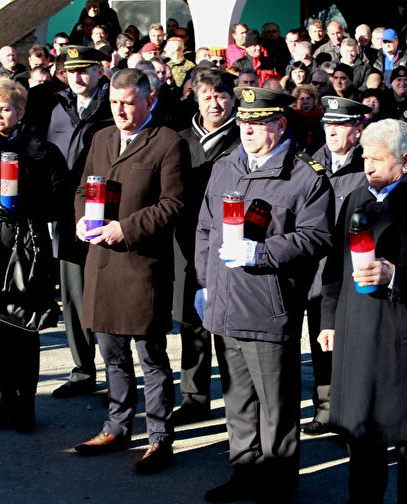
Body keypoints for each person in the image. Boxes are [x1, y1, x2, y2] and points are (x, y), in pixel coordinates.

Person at [195, 86, 332, 503]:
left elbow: (316, 237)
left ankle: (278, 478)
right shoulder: (225, 166)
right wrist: (205, 283)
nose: (249, 130)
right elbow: (205, 228)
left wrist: (262, 251)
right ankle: (245, 469)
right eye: (244, 122)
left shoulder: (304, 176)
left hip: (268, 304)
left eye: (258, 123)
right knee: (237, 398)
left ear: (280, 124)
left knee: (276, 403)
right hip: (224, 301)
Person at [319, 118, 407, 504]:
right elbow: (335, 270)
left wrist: (397, 275)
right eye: (365, 157)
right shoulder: (354, 200)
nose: (368, 167)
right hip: (358, 336)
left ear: (406, 160)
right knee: (362, 442)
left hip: (406, 345)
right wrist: (329, 320)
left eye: (378, 159)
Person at [72, 68, 187, 474]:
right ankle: (117, 425)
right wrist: (81, 220)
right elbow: (85, 188)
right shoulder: (102, 137)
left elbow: (173, 203)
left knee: (151, 358)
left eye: (128, 103)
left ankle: (159, 437)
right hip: (102, 263)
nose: (120, 110)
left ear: (148, 99)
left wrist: (127, 228)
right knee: (111, 354)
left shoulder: (168, 143)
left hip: (141, 266)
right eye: (115, 103)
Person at [0, 78, 68, 434]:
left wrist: (26, 207)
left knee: (25, 327)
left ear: (20, 111)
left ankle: (28, 403)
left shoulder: (41, 149)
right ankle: (7, 398)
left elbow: (60, 199)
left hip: (29, 246)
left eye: (6, 109)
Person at [301, 95, 370, 436]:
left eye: (341, 125)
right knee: (321, 343)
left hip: (352, 270)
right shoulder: (309, 164)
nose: (332, 131)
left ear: (358, 129)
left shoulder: (368, 166)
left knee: (353, 346)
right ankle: (325, 408)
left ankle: (350, 415)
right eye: (328, 125)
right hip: (316, 273)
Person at [174, 69, 240, 424]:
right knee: (191, 321)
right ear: (195, 99)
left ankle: (237, 397)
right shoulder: (179, 141)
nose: (215, 103)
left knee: (229, 324)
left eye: (221, 96)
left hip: (229, 239)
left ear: (232, 98)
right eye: (207, 97)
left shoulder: (244, 140)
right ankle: (194, 396)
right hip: (188, 242)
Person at [48, 46, 113, 399]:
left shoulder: (112, 107)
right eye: (71, 70)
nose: (77, 77)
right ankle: (82, 369)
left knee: (105, 293)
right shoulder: (57, 107)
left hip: (105, 213)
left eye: (84, 69)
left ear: (100, 70)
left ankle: (114, 369)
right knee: (73, 294)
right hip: (65, 214)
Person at [290, 83, 325, 153]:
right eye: (302, 99)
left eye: (308, 98)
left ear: (314, 100)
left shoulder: (321, 117)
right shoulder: (291, 118)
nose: (305, 102)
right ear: (296, 102)